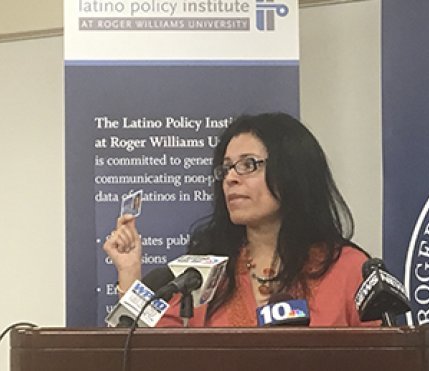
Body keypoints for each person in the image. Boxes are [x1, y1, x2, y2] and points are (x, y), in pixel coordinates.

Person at [103, 112, 377, 327]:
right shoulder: (205, 272)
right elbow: (159, 348)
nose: (231, 178)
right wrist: (129, 274)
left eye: (248, 164)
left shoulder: (349, 269)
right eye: (226, 168)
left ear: (292, 171)